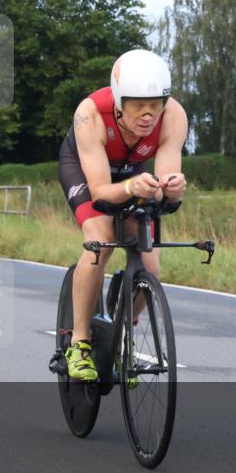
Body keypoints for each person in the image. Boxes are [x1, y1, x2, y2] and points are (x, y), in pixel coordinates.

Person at [57, 49, 188, 381]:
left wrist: (171, 188)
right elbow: (101, 191)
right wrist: (132, 186)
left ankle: (121, 329)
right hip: (87, 172)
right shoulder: (89, 114)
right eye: (137, 106)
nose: (148, 115)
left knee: (151, 267)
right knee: (100, 241)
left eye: (154, 105)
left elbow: (164, 181)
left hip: (132, 172)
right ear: (118, 102)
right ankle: (80, 342)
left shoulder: (174, 116)